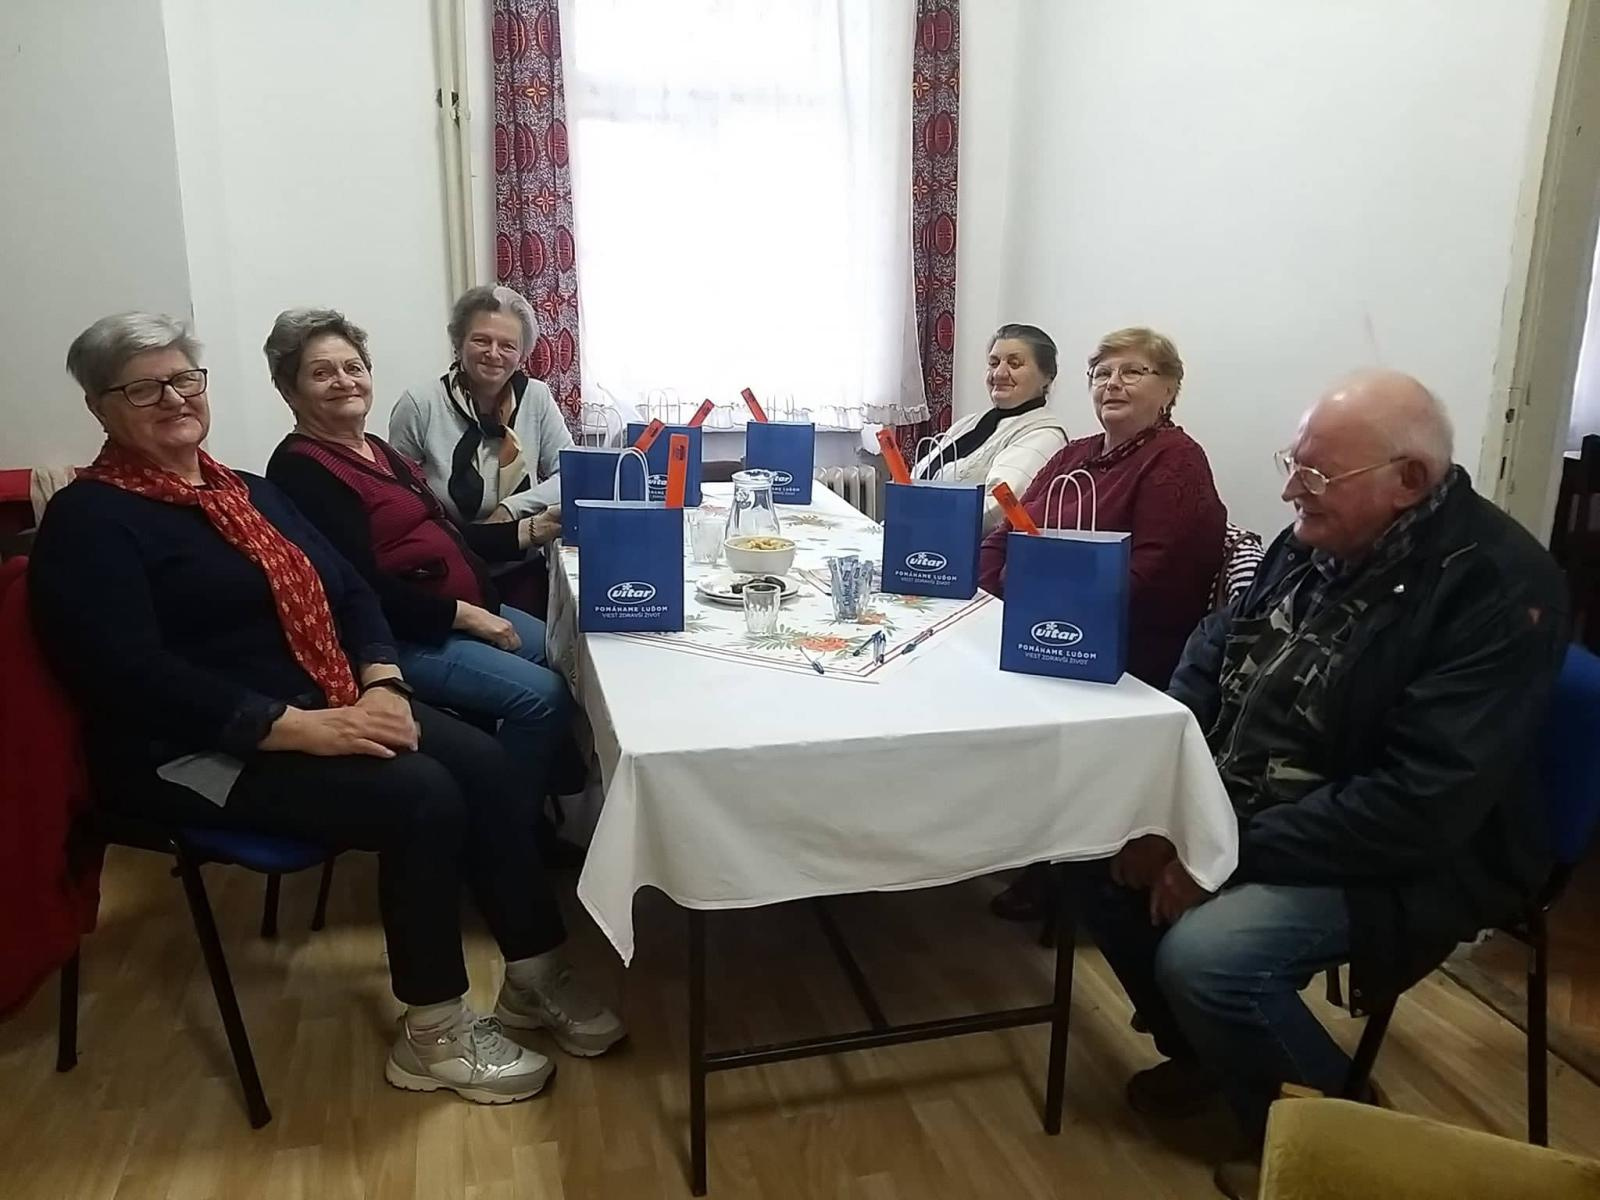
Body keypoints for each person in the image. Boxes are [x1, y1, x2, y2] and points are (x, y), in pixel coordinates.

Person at [29, 313, 625, 1107]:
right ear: (99, 406)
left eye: (184, 379)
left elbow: (349, 592)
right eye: (144, 388)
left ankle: (533, 976)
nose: (174, 398)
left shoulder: (250, 490)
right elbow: (128, 676)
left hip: (325, 700)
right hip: (190, 750)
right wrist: (303, 728)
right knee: (422, 797)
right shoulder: (91, 519)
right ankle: (434, 1035)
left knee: (483, 764)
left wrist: (382, 684)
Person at [1075, 370, 1567, 1200]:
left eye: (1315, 473)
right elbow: (1216, 645)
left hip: (1407, 850)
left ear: (1409, 480)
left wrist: (1218, 850)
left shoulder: (1496, 587)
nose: (1290, 489)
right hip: (1253, 805)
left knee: (1210, 961)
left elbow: (1418, 802)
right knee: (1088, 850)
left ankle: (1350, 1151)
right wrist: (1166, 799)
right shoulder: (1315, 536)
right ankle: (1216, 1057)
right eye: (1292, 463)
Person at [261, 308, 579, 863]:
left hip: (465, 607)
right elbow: (355, 589)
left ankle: (529, 804)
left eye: (353, 367)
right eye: (322, 373)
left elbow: (448, 535)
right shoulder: (302, 471)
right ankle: (505, 843)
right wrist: (462, 615)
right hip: (405, 636)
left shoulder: (376, 449)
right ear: (290, 390)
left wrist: (528, 530)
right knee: (544, 697)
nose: (344, 381)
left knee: (570, 650)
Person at [982, 328, 1226, 922]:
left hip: (1127, 644)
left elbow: (1155, 570)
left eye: (1132, 372)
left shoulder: (1175, 460)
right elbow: (1005, 534)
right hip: (1041, 624)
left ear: (1169, 388)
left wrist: (1042, 606)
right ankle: (1010, 836)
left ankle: (1064, 860)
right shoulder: (1075, 455)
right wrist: (988, 600)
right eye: (1102, 374)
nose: (1113, 384)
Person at [388, 285, 571, 529]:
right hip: (448, 545)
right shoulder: (420, 404)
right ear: (459, 344)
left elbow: (571, 476)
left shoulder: (537, 397)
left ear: (522, 355)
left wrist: (511, 508)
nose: (493, 353)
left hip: (526, 541)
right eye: (481, 340)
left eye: (507, 346)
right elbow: (396, 493)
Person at [911, 324, 1069, 531]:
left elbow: (998, 509)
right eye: (993, 363)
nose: (999, 373)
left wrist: (917, 519)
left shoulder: (1045, 436)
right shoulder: (968, 424)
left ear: (1047, 377)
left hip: (962, 545)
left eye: (1014, 364)